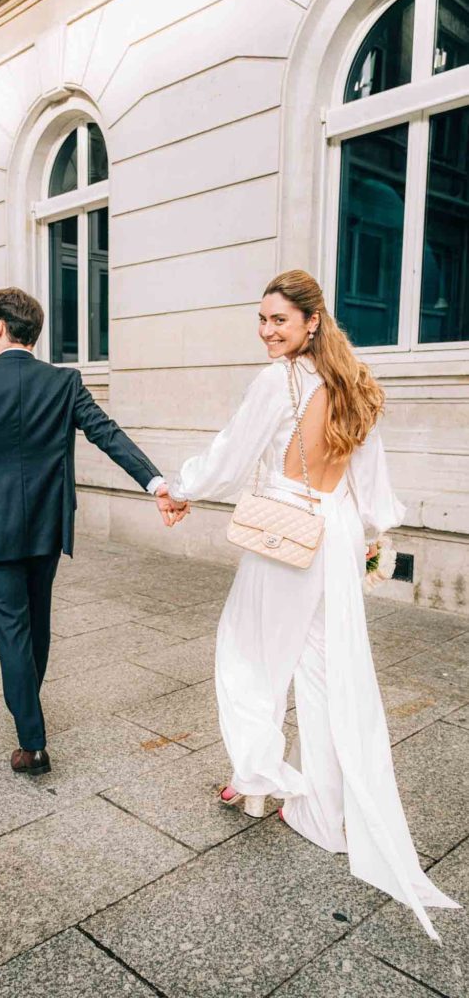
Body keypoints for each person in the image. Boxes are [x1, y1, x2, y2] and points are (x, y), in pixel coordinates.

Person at [161, 269, 460, 942]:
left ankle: (260, 775)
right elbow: (371, 484)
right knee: (325, 676)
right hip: (338, 531)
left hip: (286, 533)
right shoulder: (355, 383)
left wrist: (181, 488)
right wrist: (374, 540)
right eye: (262, 319)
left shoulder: (282, 380)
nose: (268, 331)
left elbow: (230, 454)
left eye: (279, 320)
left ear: (311, 323)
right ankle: (322, 813)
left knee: (248, 653)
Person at [0, 287, 186, 777]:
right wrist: (156, 482)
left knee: (11, 629)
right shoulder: (64, 383)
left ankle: (32, 741)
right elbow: (107, 433)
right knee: (35, 621)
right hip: (46, 524)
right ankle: (29, 708)